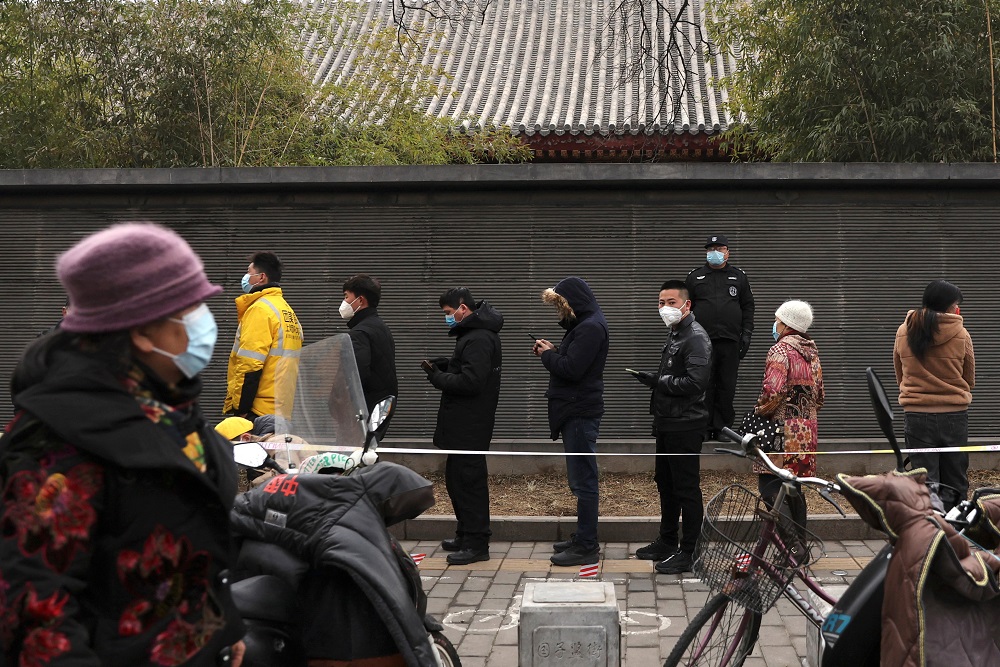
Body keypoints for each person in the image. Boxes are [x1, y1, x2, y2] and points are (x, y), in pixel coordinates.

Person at [0, 223, 245, 666]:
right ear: (141, 331)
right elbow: (32, 603)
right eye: (190, 308)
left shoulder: (169, 410)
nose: (205, 322)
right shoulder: (60, 438)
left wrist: (223, 628)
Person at [630, 280, 712, 574]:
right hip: (667, 421)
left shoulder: (696, 337)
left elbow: (695, 383)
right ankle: (667, 540)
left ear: (687, 305)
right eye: (661, 302)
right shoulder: (676, 334)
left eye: (671, 302)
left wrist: (658, 381)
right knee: (665, 482)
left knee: (686, 488)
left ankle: (690, 551)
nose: (665, 308)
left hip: (686, 424)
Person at [423, 288, 503, 565]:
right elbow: (467, 369)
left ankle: (477, 542)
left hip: (470, 425)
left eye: (448, 313)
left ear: (462, 308)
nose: (447, 319)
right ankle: (466, 533)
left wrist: (437, 377)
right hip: (464, 425)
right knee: (457, 480)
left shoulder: (479, 338)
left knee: (469, 482)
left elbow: (471, 382)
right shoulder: (473, 335)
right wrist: (448, 364)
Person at [533, 277, 609, 567]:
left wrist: (548, 355)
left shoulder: (590, 327)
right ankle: (582, 537)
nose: (559, 313)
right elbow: (574, 360)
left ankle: (587, 545)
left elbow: (572, 369)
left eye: (560, 307)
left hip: (579, 411)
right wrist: (554, 350)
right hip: (576, 409)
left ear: (572, 303)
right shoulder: (586, 324)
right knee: (580, 480)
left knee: (583, 481)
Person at [893, 280, 974, 511]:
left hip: (917, 415)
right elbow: (970, 378)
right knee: (956, 479)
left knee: (924, 480)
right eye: (955, 304)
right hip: (954, 416)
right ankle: (956, 532)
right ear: (948, 306)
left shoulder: (903, 330)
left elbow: (900, 374)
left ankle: (929, 533)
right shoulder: (962, 333)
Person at [753, 300, 824, 547]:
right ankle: (800, 542)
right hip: (806, 429)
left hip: (779, 428)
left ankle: (791, 544)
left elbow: (772, 392)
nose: (775, 324)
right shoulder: (812, 352)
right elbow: (821, 396)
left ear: (787, 324)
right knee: (794, 487)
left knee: (770, 485)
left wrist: (759, 412)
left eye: (778, 320)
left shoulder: (780, 351)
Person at [685, 234, 755, 439]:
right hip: (701, 342)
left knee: (726, 385)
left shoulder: (739, 276)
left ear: (727, 252)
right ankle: (703, 427)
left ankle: (723, 427)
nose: (715, 252)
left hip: (730, 340)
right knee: (703, 384)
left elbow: (748, 306)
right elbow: (685, 308)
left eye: (720, 248)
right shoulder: (695, 277)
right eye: (710, 249)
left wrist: (747, 334)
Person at [224, 251, 303, 422]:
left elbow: (250, 364)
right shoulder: (287, 311)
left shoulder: (260, 309)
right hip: (280, 410)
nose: (245, 277)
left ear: (261, 278)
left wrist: (241, 410)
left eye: (249, 272)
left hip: (258, 410)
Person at [340, 274, 397, 438]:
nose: (344, 302)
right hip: (380, 409)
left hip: (361, 413)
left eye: (346, 297)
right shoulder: (381, 328)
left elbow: (355, 376)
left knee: (354, 458)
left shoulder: (360, 333)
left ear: (360, 300)